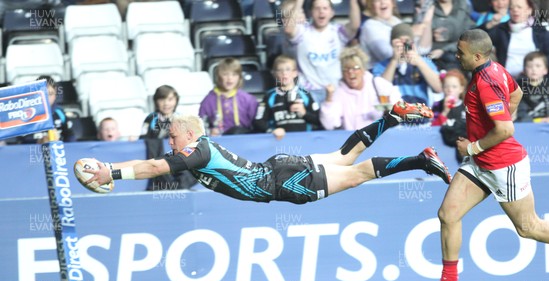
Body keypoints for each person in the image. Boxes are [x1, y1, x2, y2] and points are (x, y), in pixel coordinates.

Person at [412, 29, 549, 281]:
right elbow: (517, 92)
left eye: (460, 52)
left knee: (529, 227)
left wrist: (473, 147)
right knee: (448, 214)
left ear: (477, 56)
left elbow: (505, 128)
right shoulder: (494, 69)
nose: (456, 56)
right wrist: (479, 147)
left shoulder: (486, 83)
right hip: (480, 164)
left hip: (503, 165)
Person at [81, 103, 453, 205]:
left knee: (357, 174)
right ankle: (390, 119)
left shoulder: (194, 151)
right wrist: (109, 167)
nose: (171, 141)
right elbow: (148, 162)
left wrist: (110, 176)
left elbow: (153, 167)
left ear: (191, 133)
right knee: (343, 157)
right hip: (277, 171)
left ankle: (421, 159)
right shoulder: (198, 148)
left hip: (282, 182)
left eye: (174, 135)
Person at [284, 0, 361, 103]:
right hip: (309, 91)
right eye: (317, 8)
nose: (321, 11)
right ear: (311, 12)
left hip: (336, 90)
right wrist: (299, 2)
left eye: (325, 8)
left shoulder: (338, 31)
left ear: (332, 12)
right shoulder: (303, 32)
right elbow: (288, 29)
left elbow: (355, 26)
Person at [320, 46, 401, 131]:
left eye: (355, 68)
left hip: (380, 137)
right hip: (353, 140)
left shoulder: (378, 84)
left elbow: (399, 110)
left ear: (363, 70)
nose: (350, 72)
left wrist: (390, 111)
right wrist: (328, 99)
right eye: (346, 69)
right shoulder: (339, 92)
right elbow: (328, 125)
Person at [371, 23, 443, 105]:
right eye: (399, 41)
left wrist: (419, 62)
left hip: (420, 112)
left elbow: (439, 88)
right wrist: (394, 61)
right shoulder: (381, 66)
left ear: (412, 43)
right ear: (392, 43)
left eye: (406, 40)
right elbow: (382, 90)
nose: (403, 44)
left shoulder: (424, 61)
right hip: (394, 112)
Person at [485, 0, 549, 78]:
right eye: (511, 8)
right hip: (506, 80)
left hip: (532, 81)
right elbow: (476, 39)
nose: (515, 10)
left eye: (519, 7)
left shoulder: (539, 31)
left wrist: (534, 70)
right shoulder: (502, 29)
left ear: (529, 10)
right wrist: (491, 23)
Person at [254, 54, 321, 139]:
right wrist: (271, 131)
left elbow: (319, 120)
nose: (284, 73)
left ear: (295, 73)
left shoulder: (305, 94)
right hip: (279, 142)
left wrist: (304, 113)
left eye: (288, 70)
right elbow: (258, 120)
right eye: (280, 70)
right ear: (274, 73)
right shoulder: (269, 96)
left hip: (305, 141)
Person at [198, 58, 258, 136]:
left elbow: (256, 127)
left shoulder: (248, 99)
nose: (230, 78)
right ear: (218, 76)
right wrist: (209, 132)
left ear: (239, 77)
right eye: (225, 74)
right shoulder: (208, 100)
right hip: (219, 142)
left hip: (244, 140)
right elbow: (200, 127)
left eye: (234, 74)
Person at [14, 75, 74, 144]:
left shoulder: (60, 113)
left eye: (50, 94)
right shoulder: (26, 114)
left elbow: (70, 136)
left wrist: (60, 144)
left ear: (55, 94)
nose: (46, 97)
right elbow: (21, 140)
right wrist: (40, 141)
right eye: (43, 93)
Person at [516, 51, 549, 123]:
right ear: (524, 70)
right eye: (529, 66)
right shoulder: (519, 88)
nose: (534, 69)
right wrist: (539, 121)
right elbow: (520, 113)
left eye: (538, 66)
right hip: (529, 126)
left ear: (545, 70)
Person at [431, 69, 467, 162]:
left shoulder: (467, 107)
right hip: (442, 152)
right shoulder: (437, 105)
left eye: (454, 87)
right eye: (446, 86)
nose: (450, 90)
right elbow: (433, 129)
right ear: (442, 88)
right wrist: (445, 112)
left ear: (461, 89)